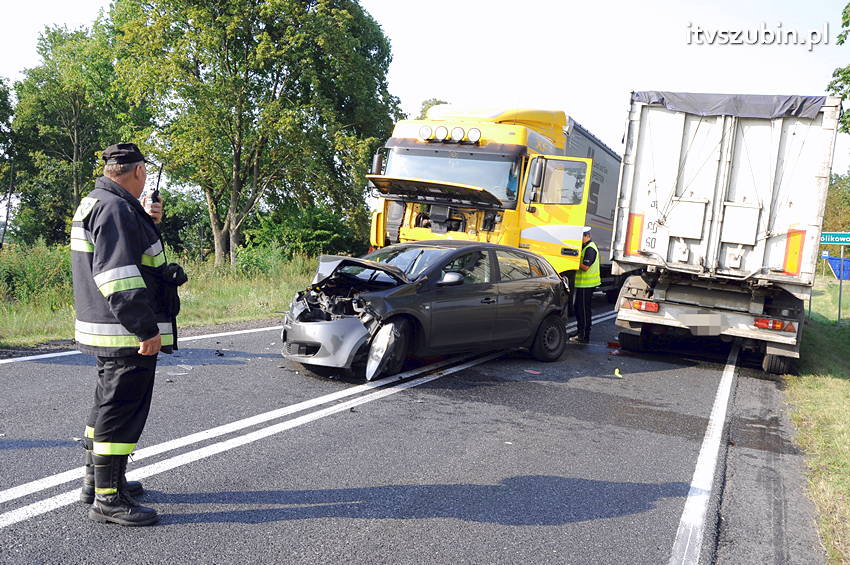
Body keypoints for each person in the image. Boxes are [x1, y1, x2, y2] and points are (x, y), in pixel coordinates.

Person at [70, 143, 171, 527]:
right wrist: (146, 329)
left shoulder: (99, 202)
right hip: (125, 329)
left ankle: (95, 481)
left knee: (106, 403)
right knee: (121, 410)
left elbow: (122, 254)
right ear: (139, 171)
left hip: (106, 325)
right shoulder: (115, 209)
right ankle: (108, 499)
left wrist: (145, 219)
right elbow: (118, 275)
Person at [570, 226, 600, 344]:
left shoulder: (590, 249)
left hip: (587, 285)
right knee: (578, 309)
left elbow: (585, 267)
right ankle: (580, 332)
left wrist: (573, 261)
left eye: (581, 237)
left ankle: (584, 336)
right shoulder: (585, 247)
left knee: (583, 310)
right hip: (582, 284)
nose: (579, 239)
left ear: (587, 236)